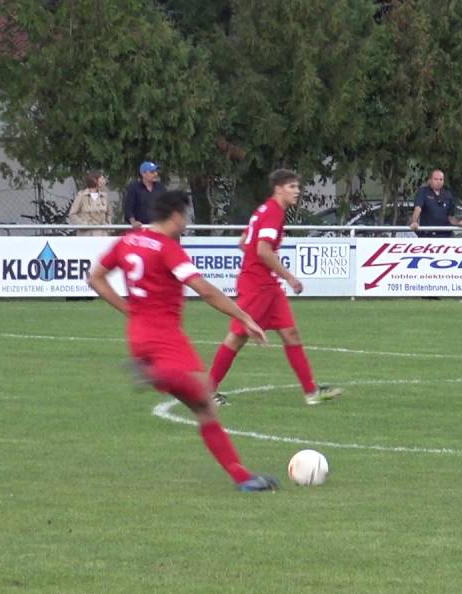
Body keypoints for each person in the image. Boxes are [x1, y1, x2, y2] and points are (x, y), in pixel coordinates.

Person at [87, 190, 279, 492]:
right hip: (165, 337)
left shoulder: (128, 240)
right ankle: (153, 374)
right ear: (175, 216)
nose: (186, 223)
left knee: (204, 406)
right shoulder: (167, 249)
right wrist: (243, 317)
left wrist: (129, 311)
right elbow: (204, 290)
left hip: (138, 334)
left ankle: (243, 478)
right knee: (202, 396)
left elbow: (95, 277)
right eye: (185, 217)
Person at [209, 169, 342, 406]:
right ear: (279, 189)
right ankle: (207, 391)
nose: (297, 192)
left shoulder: (264, 210)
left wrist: (263, 264)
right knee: (237, 337)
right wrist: (290, 277)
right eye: (292, 187)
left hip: (267, 285)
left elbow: (244, 243)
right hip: (257, 286)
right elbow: (262, 249)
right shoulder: (273, 213)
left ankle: (311, 392)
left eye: (298, 187)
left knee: (291, 333)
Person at [409, 169, 462, 237]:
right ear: (430, 180)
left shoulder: (448, 194)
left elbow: (450, 217)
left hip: (446, 236)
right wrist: (414, 222)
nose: (439, 182)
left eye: (441, 179)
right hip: (428, 235)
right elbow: (418, 208)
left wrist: (459, 223)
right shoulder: (423, 192)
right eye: (436, 179)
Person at [68, 171, 112, 236]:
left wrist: (107, 224)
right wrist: (84, 225)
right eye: (102, 179)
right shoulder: (81, 196)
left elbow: (109, 213)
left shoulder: (104, 196)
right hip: (86, 235)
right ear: (94, 180)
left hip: (102, 235)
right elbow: (72, 214)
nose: (104, 181)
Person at [123, 160, 163, 229]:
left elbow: (167, 207)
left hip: (158, 229)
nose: (156, 174)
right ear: (143, 174)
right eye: (152, 172)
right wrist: (133, 222)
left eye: (156, 172)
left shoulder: (160, 188)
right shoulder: (134, 188)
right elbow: (128, 209)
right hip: (141, 230)